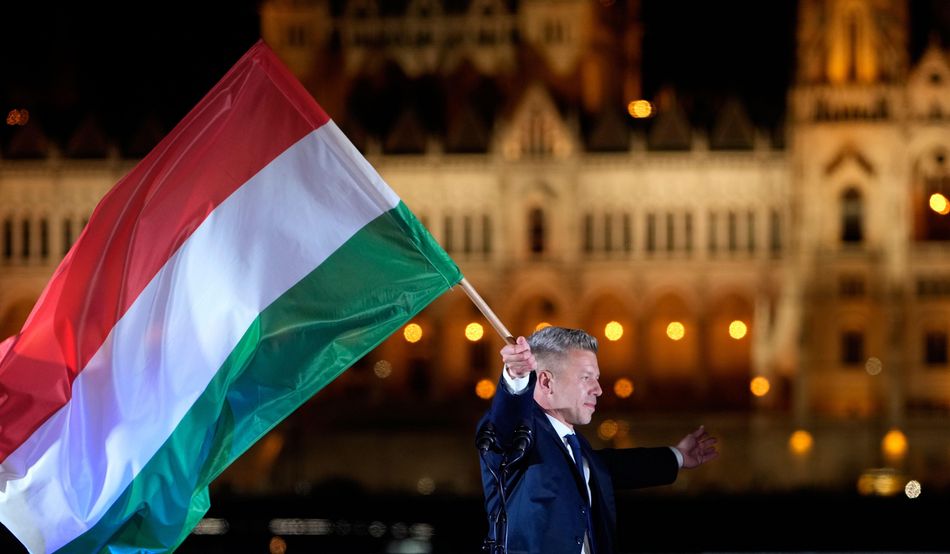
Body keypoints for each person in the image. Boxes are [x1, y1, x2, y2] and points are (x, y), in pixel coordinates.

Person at [477, 326, 718, 554]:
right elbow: (506, 422)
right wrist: (516, 378)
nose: (598, 389)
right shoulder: (518, 436)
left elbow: (613, 468)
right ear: (547, 382)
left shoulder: (575, 444)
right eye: (586, 377)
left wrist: (677, 456)